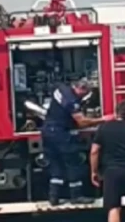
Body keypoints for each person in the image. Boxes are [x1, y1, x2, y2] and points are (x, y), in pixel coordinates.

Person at [41, 77, 107, 205]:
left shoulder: (60, 88)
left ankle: (53, 197)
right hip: (60, 133)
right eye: (85, 92)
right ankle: (76, 196)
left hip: (47, 132)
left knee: (55, 165)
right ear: (80, 88)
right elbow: (81, 122)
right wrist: (102, 119)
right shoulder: (71, 100)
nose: (85, 96)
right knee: (73, 163)